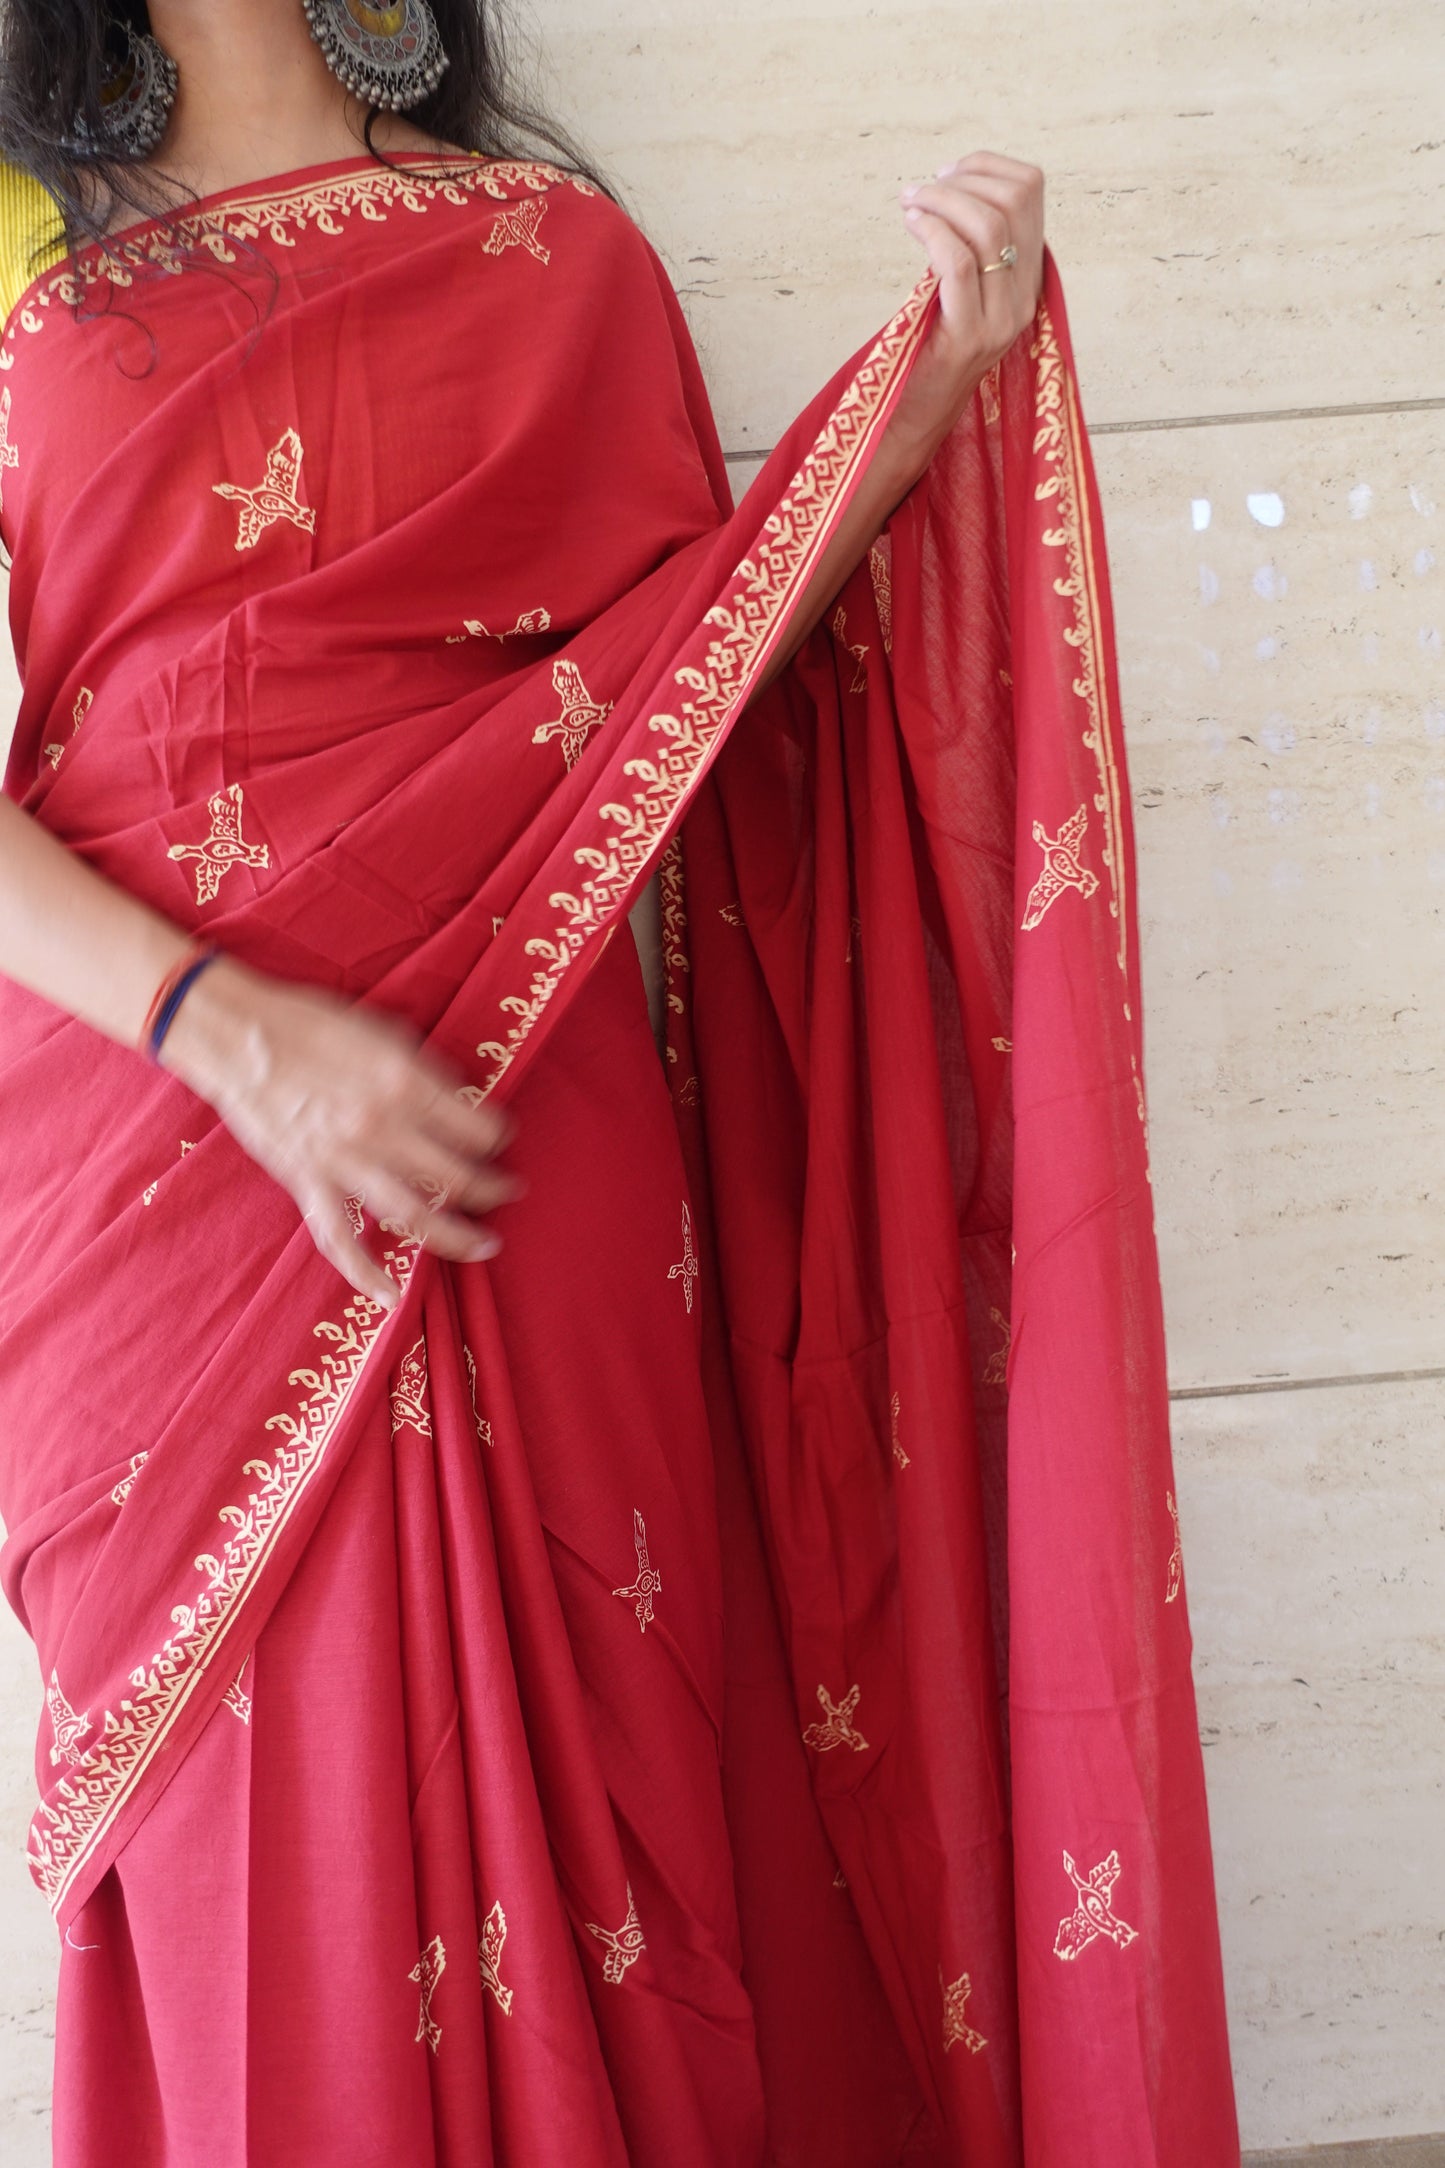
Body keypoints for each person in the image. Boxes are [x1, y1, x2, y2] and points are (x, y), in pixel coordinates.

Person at [0, 4, 1240, 2163]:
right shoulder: (24, 288)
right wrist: (222, 1025)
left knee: (630, 1837)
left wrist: (941, 377)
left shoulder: (551, 258)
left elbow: (681, 680)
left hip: (518, 1147)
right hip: (154, 1190)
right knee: (263, 1896)